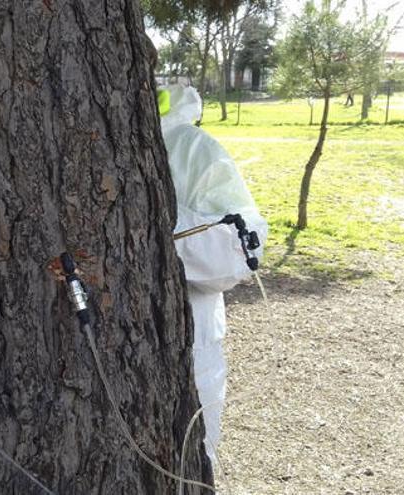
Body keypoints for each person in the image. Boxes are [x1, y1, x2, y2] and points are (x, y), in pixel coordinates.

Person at [159, 84, 268, 463]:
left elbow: (242, 248)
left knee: (187, 457)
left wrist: (152, 234)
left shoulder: (189, 147)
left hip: (190, 340)